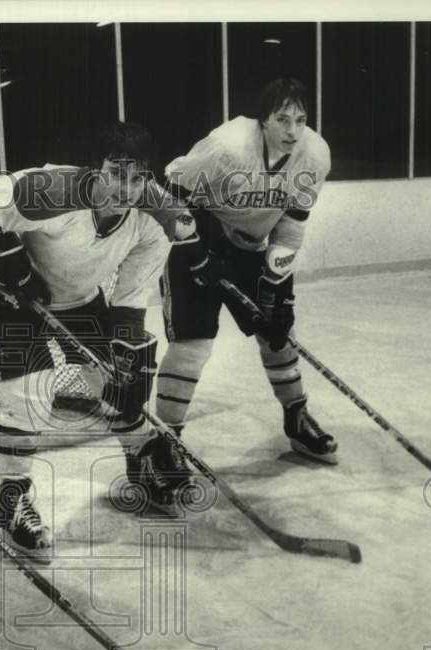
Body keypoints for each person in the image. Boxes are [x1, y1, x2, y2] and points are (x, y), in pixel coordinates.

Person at [0, 122, 178, 564]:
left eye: (139, 177)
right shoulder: (49, 189)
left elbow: (133, 293)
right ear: (94, 169)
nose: (127, 188)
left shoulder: (158, 218)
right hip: (13, 301)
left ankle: (145, 461)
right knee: (30, 398)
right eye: (117, 173)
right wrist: (9, 263)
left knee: (117, 390)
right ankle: (12, 499)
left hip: (81, 300)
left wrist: (123, 352)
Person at [155, 77, 337, 470]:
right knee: (193, 346)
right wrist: (198, 254)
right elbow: (170, 196)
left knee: (279, 334)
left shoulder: (315, 155)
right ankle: (166, 440)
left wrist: (277, 288)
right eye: (282, 119)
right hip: (196, 239)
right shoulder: (228, 146)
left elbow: (292, 223)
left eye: (301, 120)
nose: (292, 131)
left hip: (252, 248)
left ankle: (296, 416)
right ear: (263, 120)